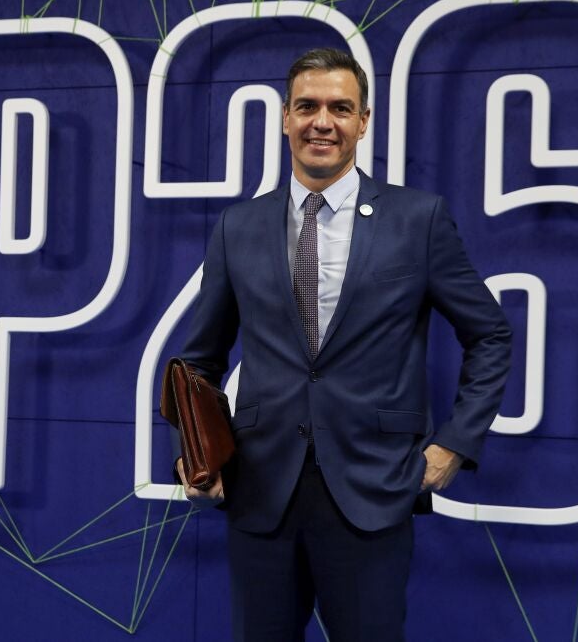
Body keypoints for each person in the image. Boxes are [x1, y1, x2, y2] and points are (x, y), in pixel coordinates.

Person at [175, 48, 512, 641]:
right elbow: (200, 360)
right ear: (285, 117)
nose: (322, 123)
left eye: (340, 108)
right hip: (260, 493)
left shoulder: (419, 219)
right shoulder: (237, 227)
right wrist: (195, 451)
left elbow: (489, 334)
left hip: (373, 488)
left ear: (364, 121)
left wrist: (454, 445)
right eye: (307, 106)